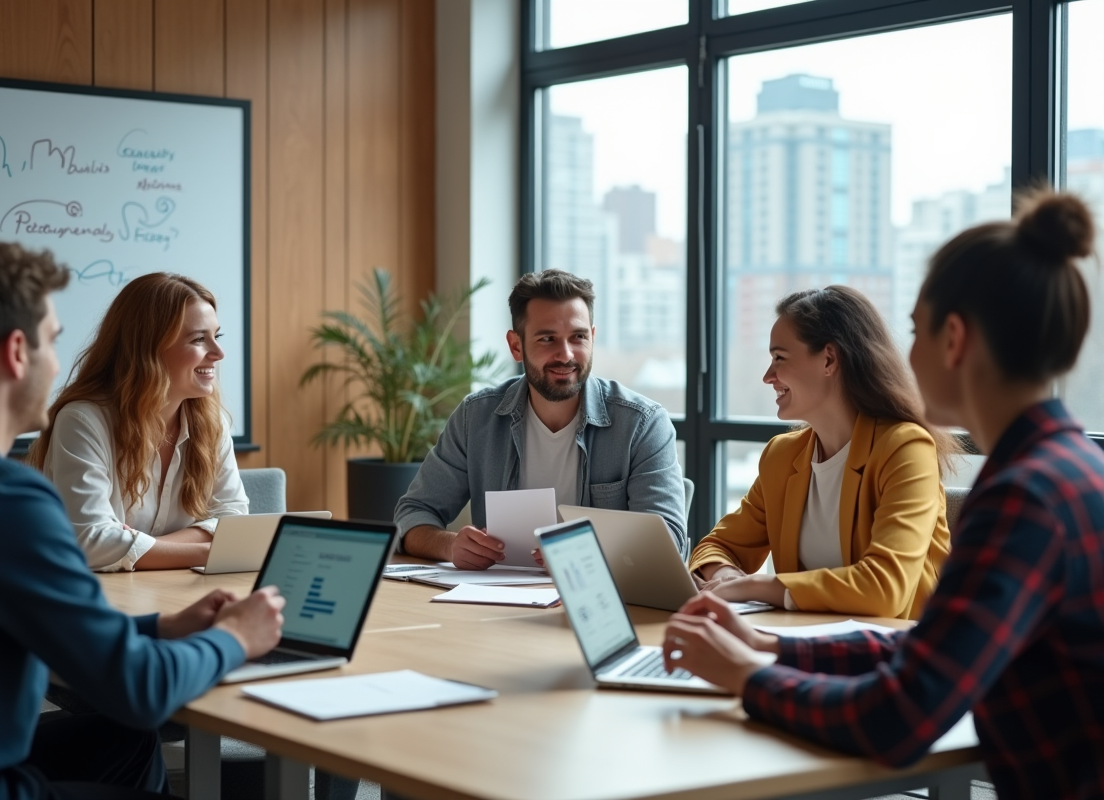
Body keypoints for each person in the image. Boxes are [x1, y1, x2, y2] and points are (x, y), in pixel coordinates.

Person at [663, 190, 1104, 798]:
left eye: (916, 333)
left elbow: (899, 715)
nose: (905, 357)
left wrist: (748, 676)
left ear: (954, 340)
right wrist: (765, 644)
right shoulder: (1066, 472)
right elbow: (924, 649)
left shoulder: (1024, 499)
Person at [0, 232, 285, 800]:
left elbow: (31, 624)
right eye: (52, 341)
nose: (60, 362)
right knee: (133, 722)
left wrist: (161, 626)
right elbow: (142, 688)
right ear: (15, 353)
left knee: (123, 740)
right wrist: (235, 636)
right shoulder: (2, 500)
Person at [689, 286, 956, 619]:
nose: (768, 376)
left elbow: (884, 590)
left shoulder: (905, 448)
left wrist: (755, 586)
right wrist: (726, 576)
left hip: (898, 654)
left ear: (829, 359)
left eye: (779, 358)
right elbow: (717, 547)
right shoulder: (782, 456)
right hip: (801, 646)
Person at [394, 268, 685, 569]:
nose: (567, 354)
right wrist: (450, 545)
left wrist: (584, 554)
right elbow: (412, 513)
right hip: (493, 603)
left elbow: (669, 543)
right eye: (548, 339)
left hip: (604, 598)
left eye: (578, 337)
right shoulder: (476, 418)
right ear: (516, 345)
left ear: (593, 338)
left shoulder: (643, 424)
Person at [29, 273, 248, 571]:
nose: (218, 353)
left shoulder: (213, 423)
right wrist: (207, 552)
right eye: (199, 339)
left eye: (216, 336)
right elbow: (92, 543)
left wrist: (135, 543)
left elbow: (235, 519)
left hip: (175, 592)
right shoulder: (82, 421)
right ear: (148, 348)